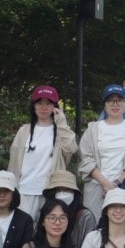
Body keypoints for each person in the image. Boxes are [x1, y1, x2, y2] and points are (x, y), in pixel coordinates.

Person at [8, 84, 77, 221]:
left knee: (48, 229)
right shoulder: (24, 131)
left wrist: (62, 123)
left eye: (48, 103)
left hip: (50, 191)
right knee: (23, 229)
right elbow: (13, 162)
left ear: (55, 107)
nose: (43, 107)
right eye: (39, 103)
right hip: (24, 190)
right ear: (33, 106)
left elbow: (71, 149)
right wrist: (11, 188)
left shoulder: (60, 132)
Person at [78, 84, 125, 218]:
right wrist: (105, 184)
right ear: (104, 105)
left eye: (119, 100)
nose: (115, 104)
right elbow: (85, 159)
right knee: (93, 224)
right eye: (110, 100)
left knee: (122, 225)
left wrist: (116, 183)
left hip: (124, 187)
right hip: (96, 187)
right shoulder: (92, 129)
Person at [43, 169, 95, 248]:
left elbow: (91, 246)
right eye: (59, 190)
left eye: (67, 190)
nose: (62, 194)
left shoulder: (85, 217)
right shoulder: (45, 214)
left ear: (74, 192)